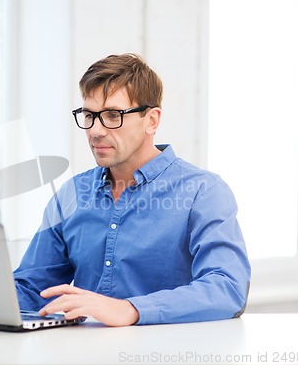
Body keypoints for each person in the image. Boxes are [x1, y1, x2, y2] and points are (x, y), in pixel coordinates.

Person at [13, 53, 250, 326]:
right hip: (84, 353)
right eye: (89, 115)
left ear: (151, 120)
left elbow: (227, 289)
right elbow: (32, 287)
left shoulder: (203, 192)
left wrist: (131, 309)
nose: (96, 131)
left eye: (113, 115)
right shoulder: (72, 194)